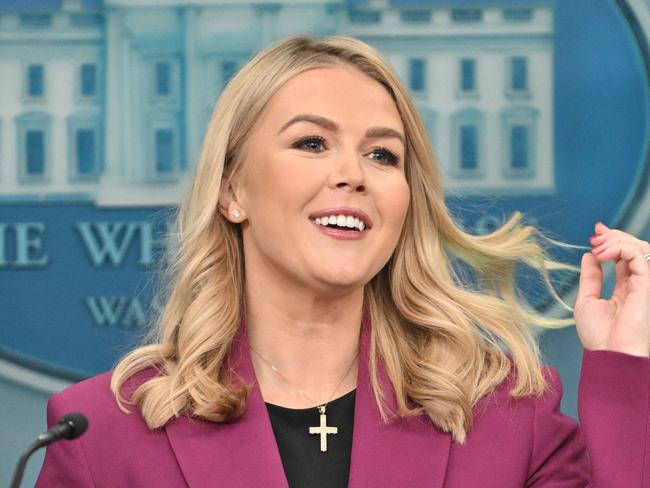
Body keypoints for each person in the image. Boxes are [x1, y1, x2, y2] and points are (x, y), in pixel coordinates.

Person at [36, 35, 650, 487]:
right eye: (311, 142)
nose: (352, 174)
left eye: (383, 155)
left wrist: (627, 370)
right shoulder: (101, 435)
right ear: (232, 191)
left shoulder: (510, 415)